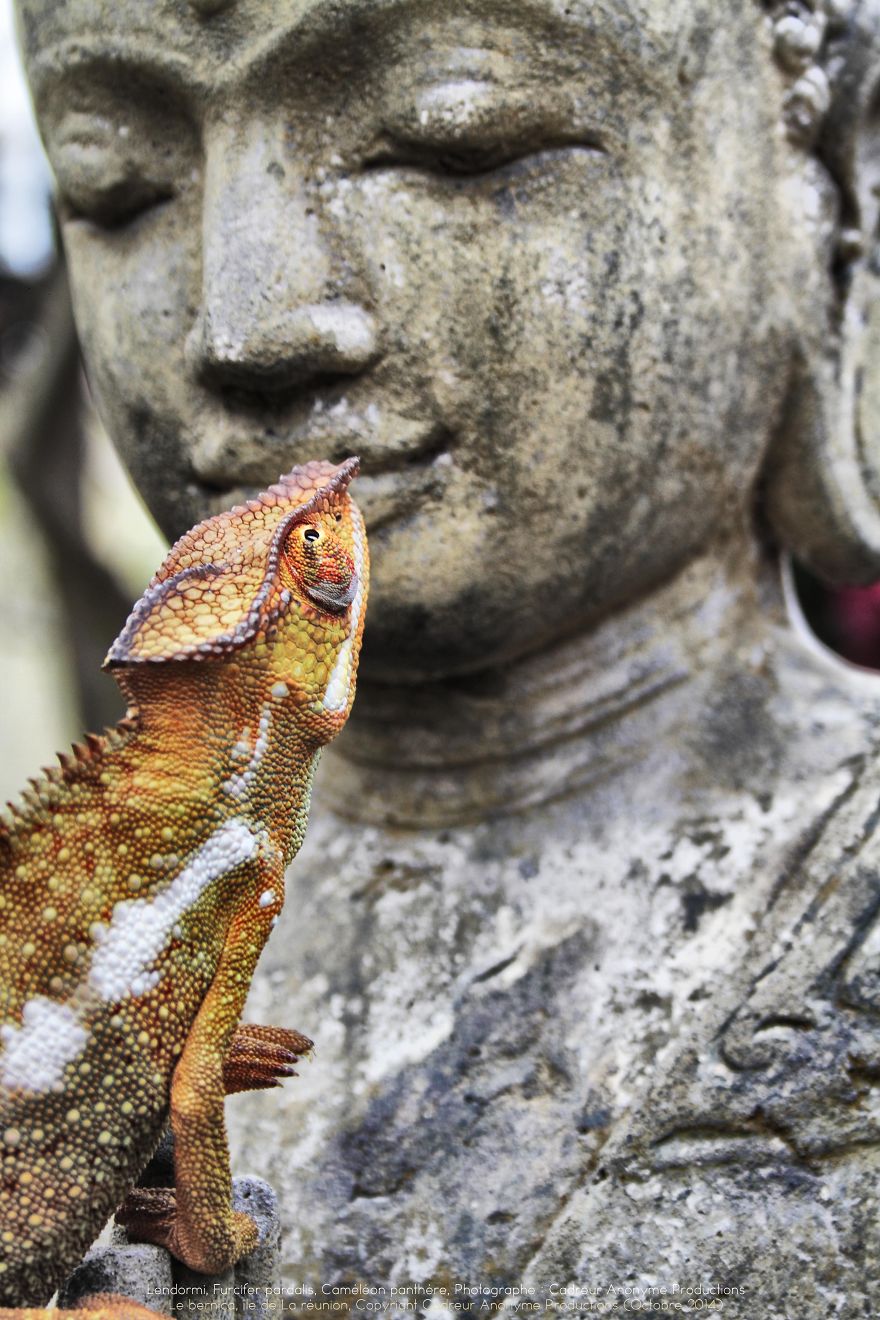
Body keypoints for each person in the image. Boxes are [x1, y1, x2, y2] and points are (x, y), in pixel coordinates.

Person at [15, 0, 880, 1309]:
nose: (243, 326)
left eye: (450, 139)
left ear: (834, 181)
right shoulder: (79, 934)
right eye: (121, 185)